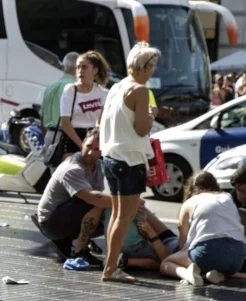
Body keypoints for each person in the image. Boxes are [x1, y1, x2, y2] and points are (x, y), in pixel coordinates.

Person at [100, 42, 160, 283]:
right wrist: (152, 115)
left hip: (111, 157)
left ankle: (110, 265)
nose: (153, 71)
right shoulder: (140, 90)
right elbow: (142, 129)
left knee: (117, 215)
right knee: (125, 217)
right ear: (145, 67)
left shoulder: (117, 87)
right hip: (130, 160)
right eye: (153, 66)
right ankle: (111, 268)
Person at [35, 130, 111, 265]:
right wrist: (126, 202)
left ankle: (70, 242)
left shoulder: (99, 166)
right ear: (83, 143)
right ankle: (79, 251)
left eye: (96, 149)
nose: (90, 152)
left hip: (69, 212)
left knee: (111, 214)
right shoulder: (72, 167)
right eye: (88, 146)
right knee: (99, 203)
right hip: (50, 222)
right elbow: (92, 198)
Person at [161, 172, 246, 285]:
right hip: (237, 258)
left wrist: (182, 255)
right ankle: (215, 274)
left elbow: (182, 242)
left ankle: (187, 274)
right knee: (212, 260)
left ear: (191, 189)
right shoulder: (227, 197)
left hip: (207, 252)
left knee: (166, 263)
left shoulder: (190, 202)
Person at [58, 50, 108, 163]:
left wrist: (94, 141)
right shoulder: (70, 90)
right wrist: (83, 146)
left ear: (95, 70)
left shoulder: (99, 90)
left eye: (84, 67)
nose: (80, 71)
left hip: (93, 139)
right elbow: (65, 123)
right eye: (78, 67)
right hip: (73, 138)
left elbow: (102, 118)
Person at [104, 205, 179, 271]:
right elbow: (164, 259)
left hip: (114, 243)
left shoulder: (108, 201)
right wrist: (150, 232)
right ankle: (123, 260)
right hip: (135, 245)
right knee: (164, 263)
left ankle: (120, 259)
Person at [41, 52, 79, 138]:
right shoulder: (77, 88)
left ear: (63, 67)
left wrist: (46, 137)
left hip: (49, 135)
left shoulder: (50, 86)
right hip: (66, 137)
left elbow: (42, 116)